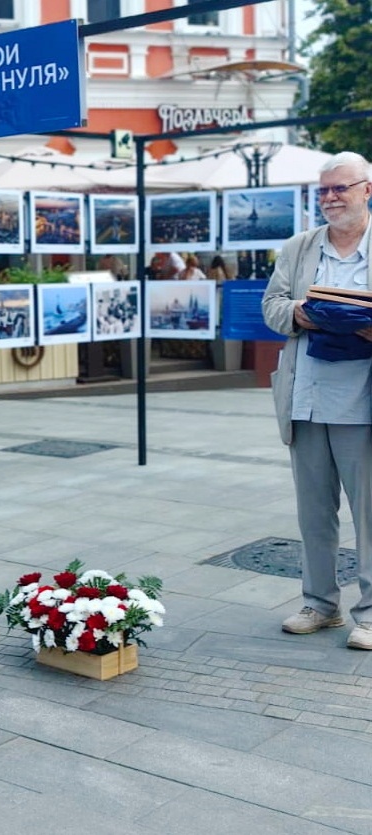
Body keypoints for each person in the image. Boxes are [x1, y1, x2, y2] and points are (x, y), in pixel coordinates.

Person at [261, 151, 372, 649]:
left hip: (361, 403)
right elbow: (272, 306)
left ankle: (369, 613)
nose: (329, 198)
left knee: (368, 513)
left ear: (366, 189)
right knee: (313, 512)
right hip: (305, 398)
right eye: (323, 190)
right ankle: (320, 603)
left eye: (340, 189)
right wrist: (304, 314)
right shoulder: (300, 247)